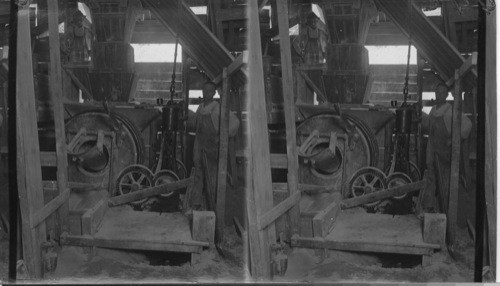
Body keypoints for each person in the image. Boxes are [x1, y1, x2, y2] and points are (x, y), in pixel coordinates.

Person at [419, 82, 472, 215]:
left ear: (447, 95)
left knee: (445, 181)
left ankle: (445, 211)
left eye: (442, 93)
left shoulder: (451, 111)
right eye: (437, 93)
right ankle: (429, 207)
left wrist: (454, 139)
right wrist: (421, 116)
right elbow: (428, 127)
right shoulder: (433, 109)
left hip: (444, 153)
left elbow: (468, 125)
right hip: (432, 150)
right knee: (431, 178)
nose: (439, 95)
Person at [186, 81, 240, 211]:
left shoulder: (218, 108)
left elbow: (235, 123)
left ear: (214, 92)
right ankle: (196, 204)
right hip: (199, 147)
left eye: (209, 91)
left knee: (212, 178)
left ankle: (213, 208)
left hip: (211, 150)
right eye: (204, 91)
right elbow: (194, 124)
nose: (206, 93)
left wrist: (220, 136)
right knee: (198, 175)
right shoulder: (200, 108)